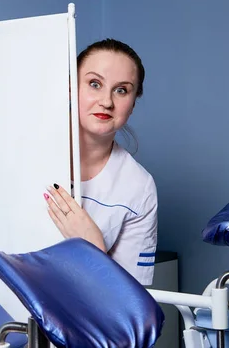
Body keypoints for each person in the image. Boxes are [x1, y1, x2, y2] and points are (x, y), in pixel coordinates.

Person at [44, 38, 158, 285]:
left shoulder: (139, 187)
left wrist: (93, 246)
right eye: (94, 84)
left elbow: (130, 302)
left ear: (133, 103)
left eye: (121, 90)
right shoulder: (30, 153)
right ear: (71, 88)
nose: (107, 101)